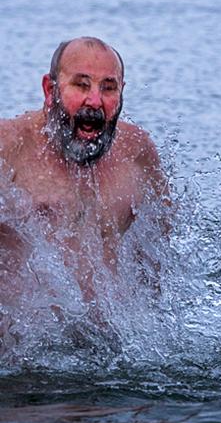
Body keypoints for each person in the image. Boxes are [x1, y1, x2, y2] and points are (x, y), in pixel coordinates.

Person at [0, 36, 170, 302]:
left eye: (108, 88)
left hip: (109, 340)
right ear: (49, 90)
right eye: (81, 85)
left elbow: (161, 253)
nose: (94, 101)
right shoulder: (10, 147)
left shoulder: (137, 152)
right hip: (23, 338)